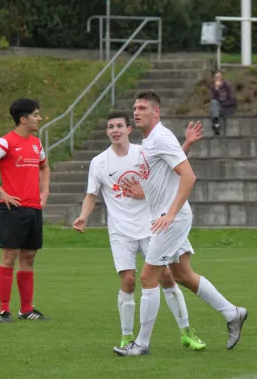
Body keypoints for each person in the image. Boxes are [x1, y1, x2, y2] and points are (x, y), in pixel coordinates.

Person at [112, 91, 247, 357]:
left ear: (156, 112)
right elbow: (164, 169)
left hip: (171, 219)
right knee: (183, 275)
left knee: (148, 277)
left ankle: (141, 344)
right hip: (166, 217)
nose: (136, 112)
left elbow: (188, 176)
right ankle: (233, 313)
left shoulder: (161, 136)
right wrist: (144, 190)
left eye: (142, 108)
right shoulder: (150, 141)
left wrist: (171, 213)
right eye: (134, 108)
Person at [72, 111, 206, 351]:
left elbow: (170, 165)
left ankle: (187, 332)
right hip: (121, 231)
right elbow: (91, 195)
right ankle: (127, 337)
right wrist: (83, 217)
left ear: (128, 129)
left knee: (166, 276)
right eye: (110, 126)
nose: (115, 130)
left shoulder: (141, 153)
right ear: (107, 132)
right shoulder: (99, 162)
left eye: (119, 125)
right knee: (129, 281)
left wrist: (186, 144)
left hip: (150, 226)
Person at [0, 98, 50, 323]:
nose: (40, 118)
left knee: (29, 256)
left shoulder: (36, 143)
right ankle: (4, 310)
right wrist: (1, 192)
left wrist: (44, 192)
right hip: (13, 209)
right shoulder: (5, 142)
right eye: (36, 114)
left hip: (33, 207)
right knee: (9, 257)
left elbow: (44, 167)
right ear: (23, 119)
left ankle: (26, 309)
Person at [208, 70, 237, 136]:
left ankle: (216, 125)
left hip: (229, 108)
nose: (218, 79)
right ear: (214, 79)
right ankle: (216, 124)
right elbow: (213, 100)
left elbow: (233, 100)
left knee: (213, 110)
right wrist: (216, 90)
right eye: (216, 77)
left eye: (219, 77)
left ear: (222, 78)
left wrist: (222, 104)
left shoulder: (228, 86)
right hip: (219, 109)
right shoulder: (213, 88)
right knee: (214, 104)